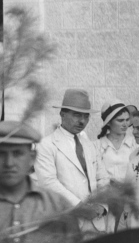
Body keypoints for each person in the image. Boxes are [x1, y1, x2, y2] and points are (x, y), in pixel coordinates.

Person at [31, 88, 111, 232]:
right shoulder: (46, 145)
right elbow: (48, 183)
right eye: (76, 115)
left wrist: (102, 205)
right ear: (62, 114)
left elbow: (102, 177)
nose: (82, 121)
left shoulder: (90, 145)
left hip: (97, 222)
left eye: (86, 116)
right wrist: (81, 207)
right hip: (67, 222)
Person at [95, 103, 139, 188]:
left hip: (131, 194)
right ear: (108, 123)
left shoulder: (135, 144)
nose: (125, 124)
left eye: (127, 120)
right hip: (106, 195)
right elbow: (98, 175)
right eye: (120, 120)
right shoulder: (97, 146)